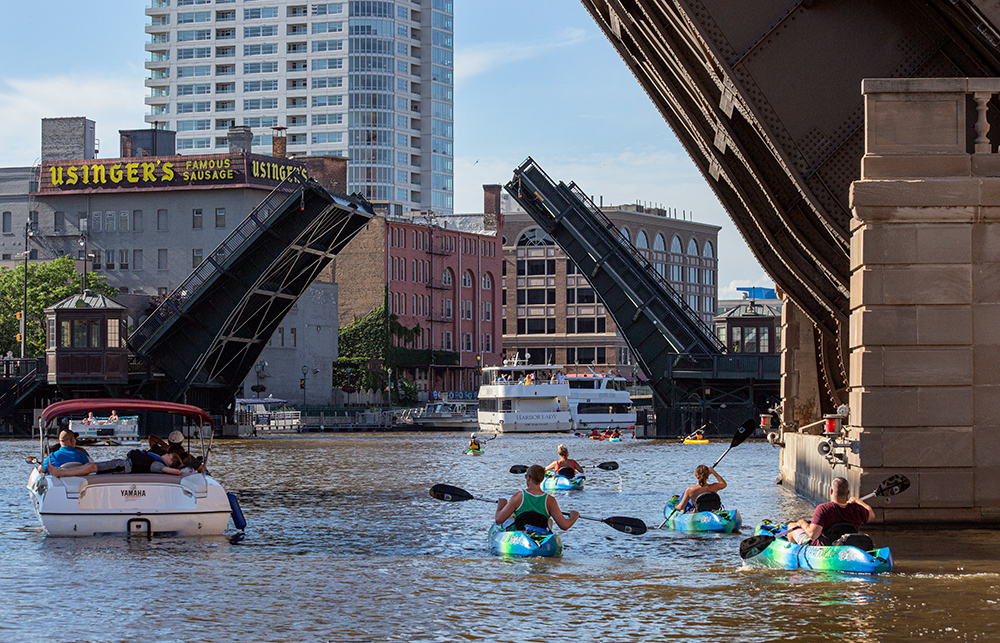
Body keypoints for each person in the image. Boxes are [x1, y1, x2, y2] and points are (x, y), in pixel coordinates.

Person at [786, 477, 874, 546]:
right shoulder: (856, 508)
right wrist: (858, 501)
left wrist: (802, 523)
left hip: (825, 546)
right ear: (848, 493)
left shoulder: (823, 509)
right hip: (848, 544)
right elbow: (871, 514)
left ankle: (793, 551)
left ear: (831, 491)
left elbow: (812, 535)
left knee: (791, 526)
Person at [495, 464, 579, 533]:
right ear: (542, 479)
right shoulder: (550, 500)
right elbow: (564, 525)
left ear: (528, 478)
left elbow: (499, 520)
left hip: (520, 534)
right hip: (539, 533)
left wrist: (500, 506)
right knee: (549, 521)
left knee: (510, 517)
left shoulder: (518, 497)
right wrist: (573, 517)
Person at [47, 451, 184, 478]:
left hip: (122, 467)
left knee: (91, 468)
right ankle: (63, 472)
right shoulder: (156, 461)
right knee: (90, 467)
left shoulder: (157, 465)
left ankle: (61, 473)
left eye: (168, 455)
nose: (165, 454)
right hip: (121, 464)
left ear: (170, 461)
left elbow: (175, 472)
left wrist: (179, 471)